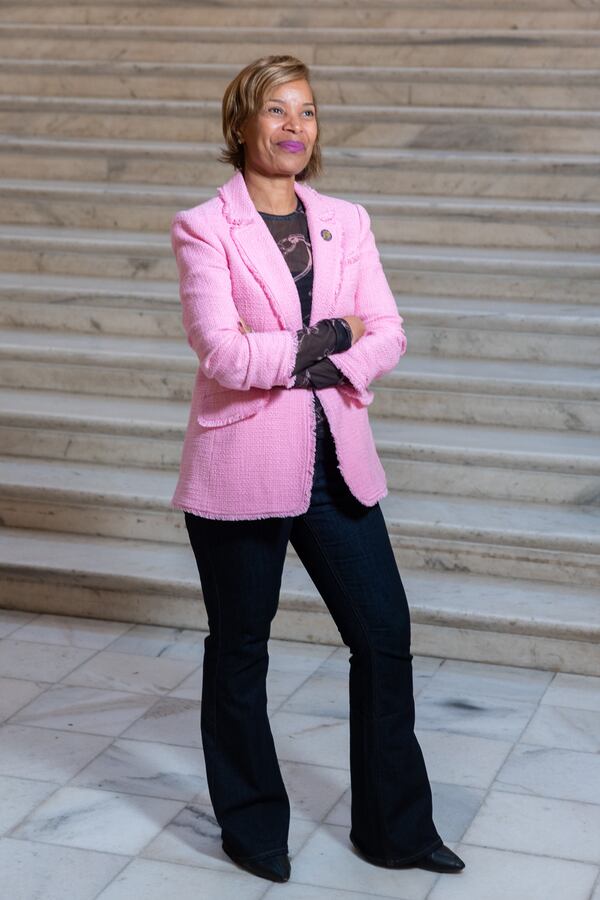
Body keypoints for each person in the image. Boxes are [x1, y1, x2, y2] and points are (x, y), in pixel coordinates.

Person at [170, 54, 466, 884]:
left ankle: (395, 831)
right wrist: (336, 337)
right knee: (240, 649)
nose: (295, 126)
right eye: (277, 111)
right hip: (240, 466)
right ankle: (253, 826)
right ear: (242, 124)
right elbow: (222, 352)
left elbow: (391, 331)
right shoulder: (204, 226)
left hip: (338, 464)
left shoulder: (347, 219)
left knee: (384, 636)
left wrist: (324, 353)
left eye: (307, 112)